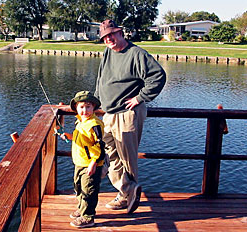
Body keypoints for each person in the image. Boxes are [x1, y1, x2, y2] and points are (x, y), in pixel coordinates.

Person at [95, 19, 166, 214]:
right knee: (108, 154)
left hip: (127, 114)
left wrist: (140, 98)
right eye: (104, 37)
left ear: (120, 33)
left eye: (111, 34)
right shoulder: (108, 52)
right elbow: (102, 78)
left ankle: (127, 197)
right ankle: (127, 190)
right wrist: (96, 102)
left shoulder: (136, 54)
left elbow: (158, 76)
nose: (108, 39)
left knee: (127, 159)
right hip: (108, 113)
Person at [57, 91, 106, 228]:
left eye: (88, 106)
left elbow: (99, 145)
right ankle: (82, 208)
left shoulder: (94, 124)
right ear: (76, 108)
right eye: (81, 107)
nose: (85, 110)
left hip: (91, 164)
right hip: (79, 162)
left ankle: (88, 217)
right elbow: (82, 139)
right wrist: (69, 136)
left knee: (89, 190)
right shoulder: (80, 121)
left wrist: (93, 163)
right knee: (78, 187)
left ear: (94, 107)